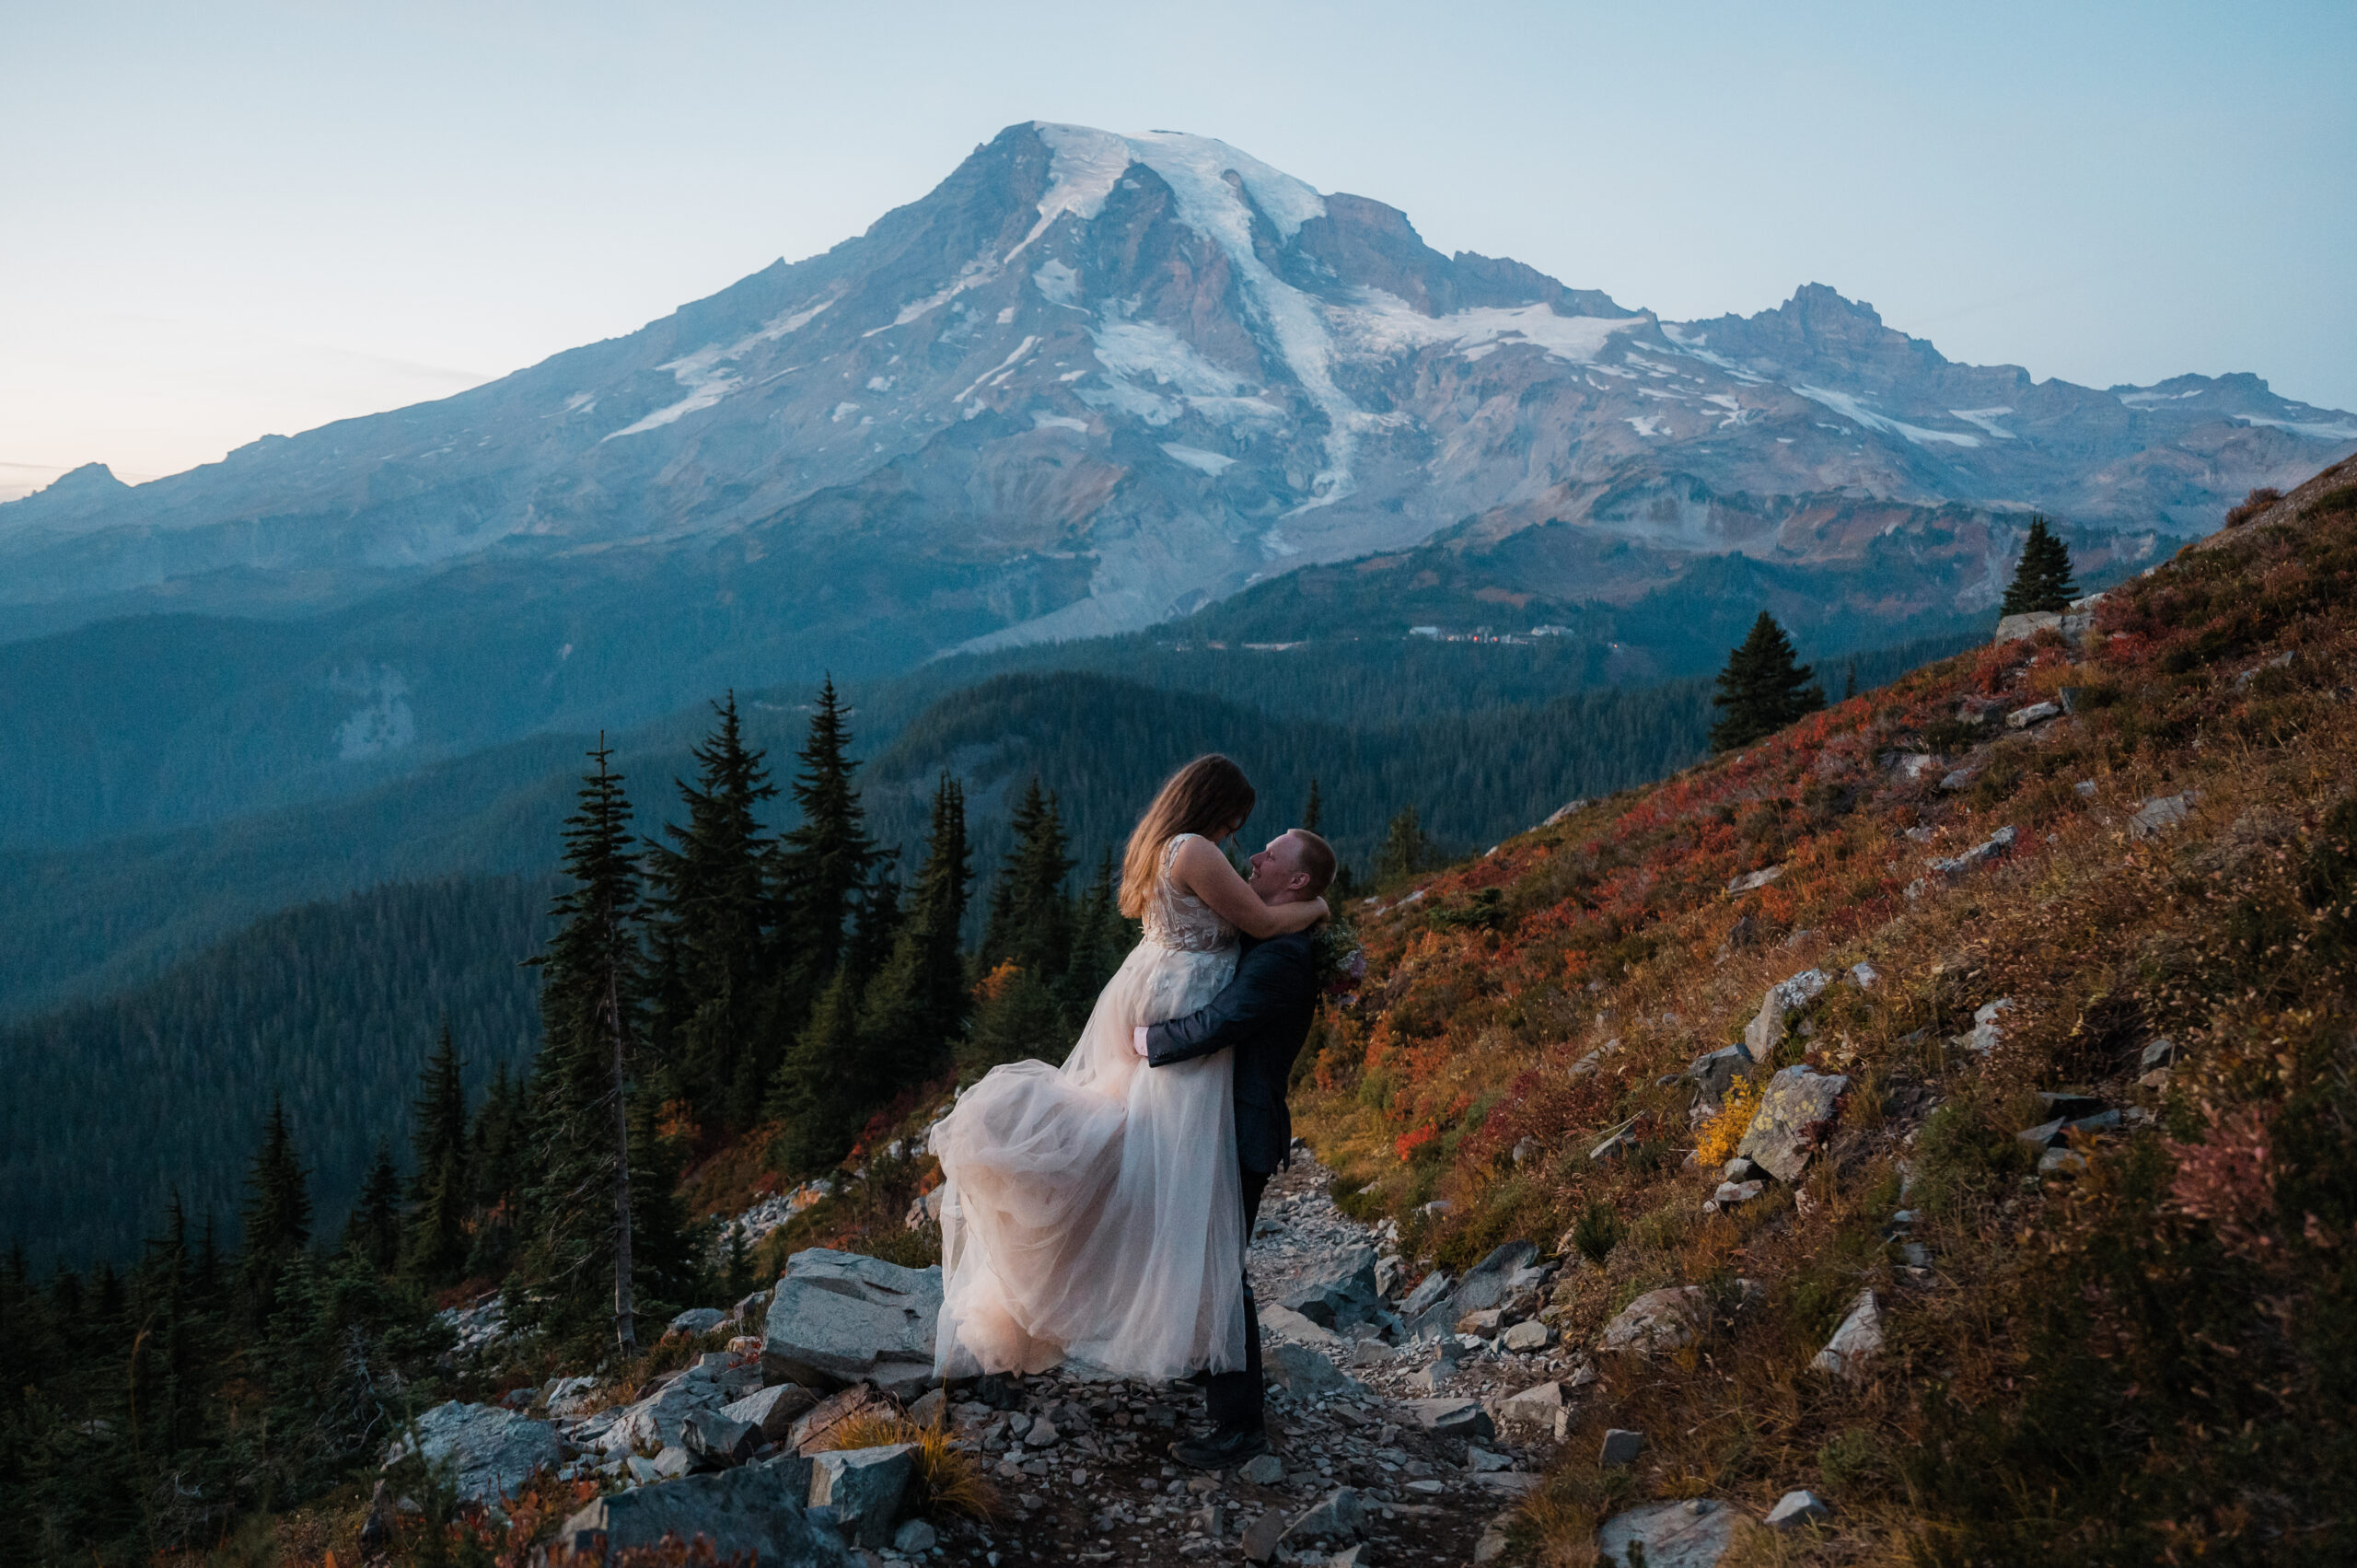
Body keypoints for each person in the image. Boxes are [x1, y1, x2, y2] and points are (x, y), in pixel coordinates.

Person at [931, 755, 1329, 1383]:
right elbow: (1260, 920)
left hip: (1154, 987)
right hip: (1176, 1003)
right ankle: (1176, 1337)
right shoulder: (1195, 848)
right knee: (1163, 1170)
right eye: (1234, 818)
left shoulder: (1166, 841)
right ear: (1212, 804)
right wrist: (1317, 912)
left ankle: (1163, 1323)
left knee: (1130, 1153)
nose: (1240, 839)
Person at [1135, 826, 1336, 1468]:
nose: (1254, 857)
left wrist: (1150, 1041)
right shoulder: (1275, 932)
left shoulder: (1284, 957)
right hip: (1223, 1119)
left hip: (1242, 1126)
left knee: (1222, 1270)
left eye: (1271, 855)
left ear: (1297, 880)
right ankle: (1216, 1376)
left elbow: (1225, 1021)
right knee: (1206, 1260)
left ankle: (1238, 1425)